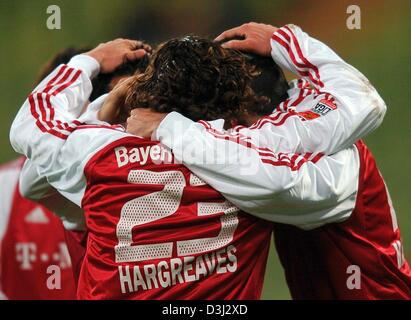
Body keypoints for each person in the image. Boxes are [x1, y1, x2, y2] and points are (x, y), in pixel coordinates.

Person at [126, 23, 411, 299]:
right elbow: (353, 98)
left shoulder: (332, 158)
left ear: (242, 107)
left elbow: (277, 180)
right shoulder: (305, 118)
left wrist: (173, 128)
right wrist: (285, 41)